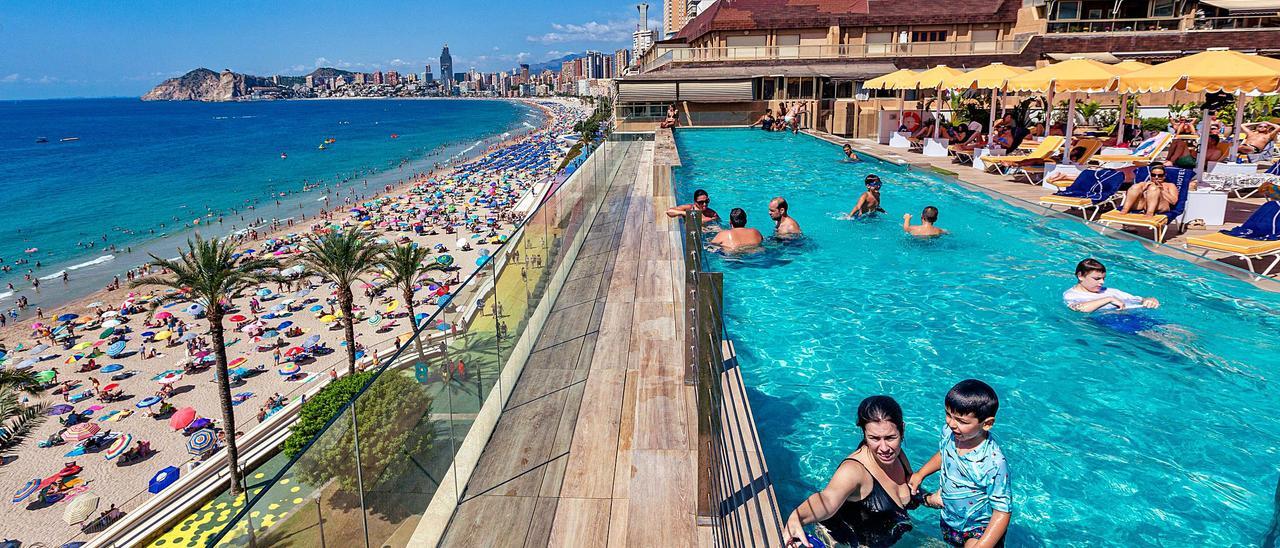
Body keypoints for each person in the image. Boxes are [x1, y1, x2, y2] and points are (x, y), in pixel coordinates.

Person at [782, 396, 918, 548]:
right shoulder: (854, 471)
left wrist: (930, 499)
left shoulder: (898, 455)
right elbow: (827, 499)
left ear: (902, 429)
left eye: (890, 437)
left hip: (890, 534)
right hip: (844, 542)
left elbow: (910, 486)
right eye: (874, 438)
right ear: (864, 433)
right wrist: (797, 517)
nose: (884, 448)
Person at [909, 379, 1012, 548]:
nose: (951, 423)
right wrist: (921, 474)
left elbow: (1002, 511)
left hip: (980, 527)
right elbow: (945, 454)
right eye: (948, 414)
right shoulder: (950, 433)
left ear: (987, 424)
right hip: (952, 518)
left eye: (961, 421)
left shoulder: (993, 463)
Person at [1062, 258, 1159, 312]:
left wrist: (1150, 300)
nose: (1102, 282)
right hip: (1108, 324)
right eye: (1097, 279)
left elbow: (1140, 299)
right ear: (1080, 276)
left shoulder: (1109, 291)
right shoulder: (1071, 295)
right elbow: (1079, 309)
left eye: (1103, 278)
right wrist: (1109, 299)